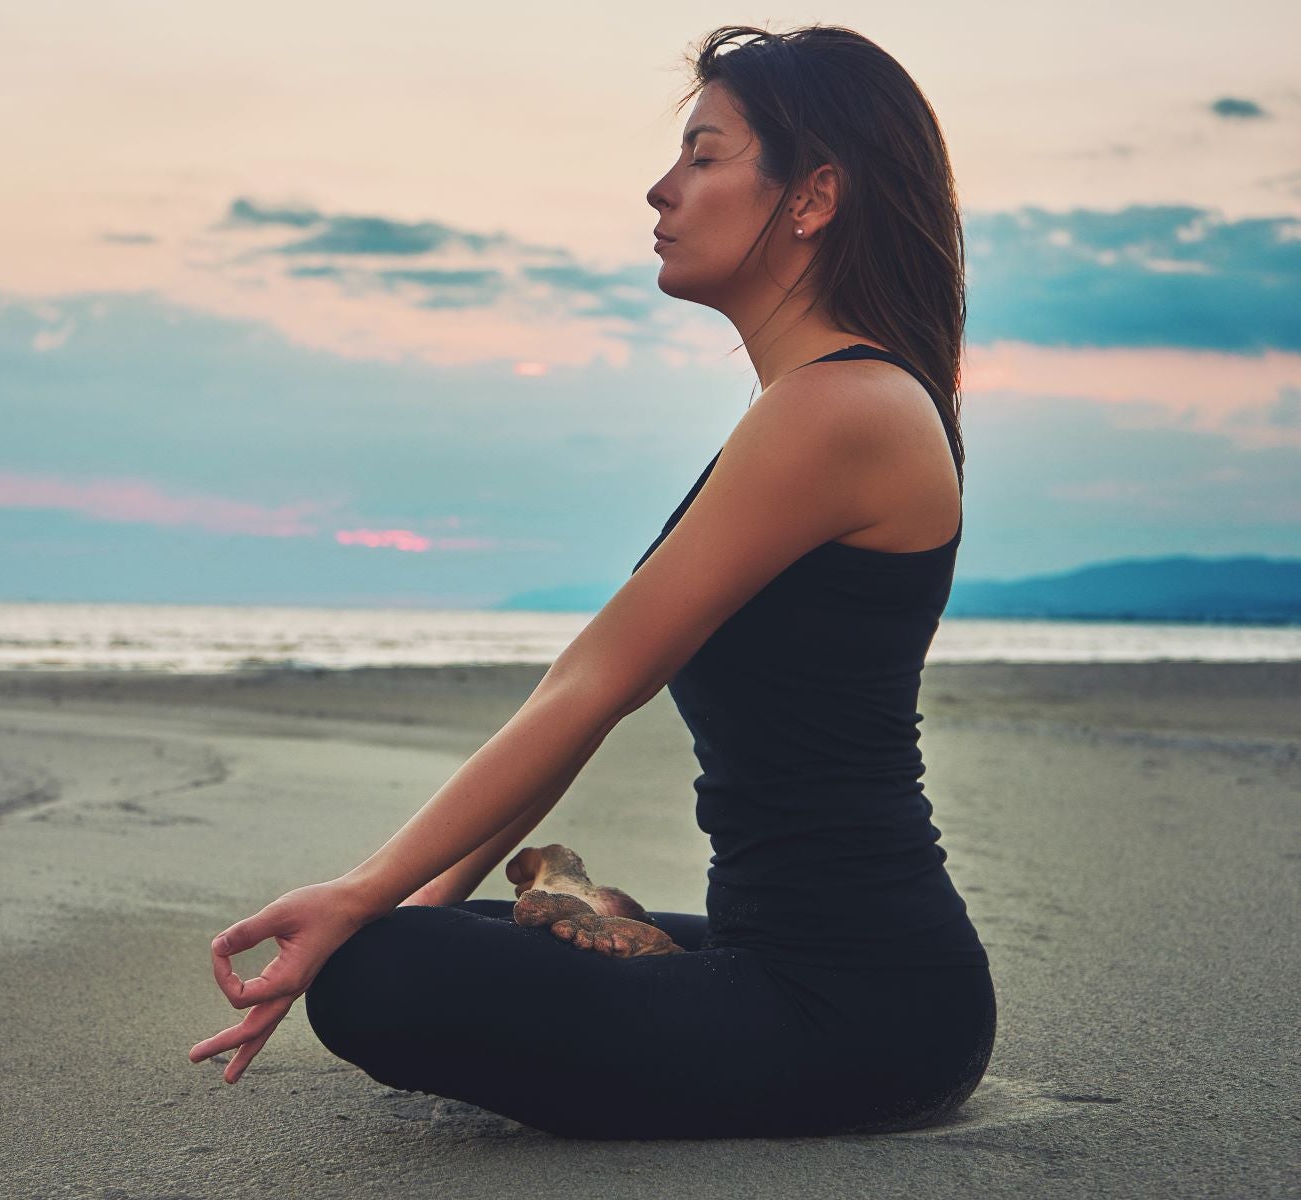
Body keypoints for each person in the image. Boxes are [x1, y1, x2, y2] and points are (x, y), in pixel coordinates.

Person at [188, 22, 995, 1139]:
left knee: (378, 980)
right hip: (788, 956)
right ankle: (599, 925)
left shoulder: (840, 409)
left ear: (813, 196)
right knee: (404, 942)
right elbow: (587, 698)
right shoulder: (815, 408)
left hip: (862, 1006)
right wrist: (400, 902)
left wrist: (365, 901)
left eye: (704, 157)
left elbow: (591, 683)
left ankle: (575, 932)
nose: (661, 191)